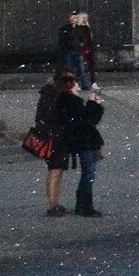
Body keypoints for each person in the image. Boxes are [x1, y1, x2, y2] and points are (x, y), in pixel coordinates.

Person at [41, 70, 106, 217]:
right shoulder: (71, 101)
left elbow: (85, 120)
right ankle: (84, 205)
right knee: (88, 174)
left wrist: (93, 105)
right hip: (83, 141)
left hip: (81, 141)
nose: (78, 86)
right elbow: (86, 122)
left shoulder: (66, 100)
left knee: (88, 173)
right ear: (69, 85)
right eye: (75, 83)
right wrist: (93, 104)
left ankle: (82, 205)